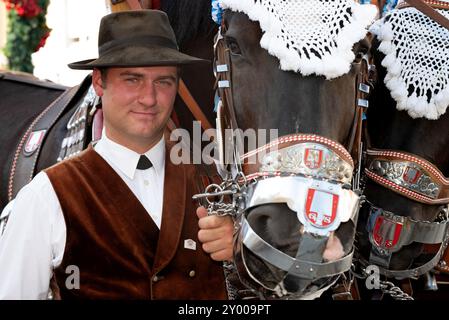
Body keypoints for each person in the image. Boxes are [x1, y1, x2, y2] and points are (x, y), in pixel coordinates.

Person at [0, 10, 234, 300]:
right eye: (132, 80)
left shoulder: (219, 182)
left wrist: (241, 254)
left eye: (163, 81)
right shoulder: (47, 197)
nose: (149, 98)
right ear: (99, 82)